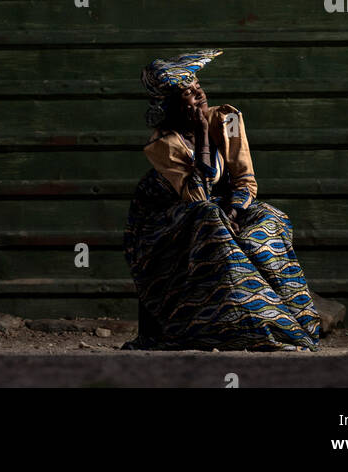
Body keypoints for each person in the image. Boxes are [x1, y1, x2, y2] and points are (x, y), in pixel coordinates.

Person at [123, 49, 320, 351]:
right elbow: (196, 197)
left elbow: (245, 179)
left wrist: (236, 210)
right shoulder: (162, 144)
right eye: (188, 93)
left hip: (224, 208)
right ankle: (233, 328)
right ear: (173, 105)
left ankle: (293, 323)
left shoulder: (227, 119)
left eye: (198, 86)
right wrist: (202, 133)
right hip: (164, 221)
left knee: (269, 218)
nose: (198, 94)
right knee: (208, 218)